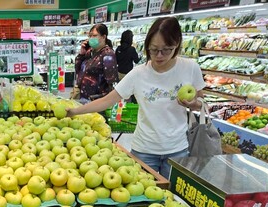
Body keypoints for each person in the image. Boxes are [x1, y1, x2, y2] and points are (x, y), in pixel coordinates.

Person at [68, 17, 205, 179]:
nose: (159, 55)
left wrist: (194, 103)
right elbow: (107, 100)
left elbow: (202, 104)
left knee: (173, 199)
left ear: (177, 44)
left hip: (177, 150)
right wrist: (75, 111)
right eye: (153, 50)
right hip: (144, 150)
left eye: (166, 49)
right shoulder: (139, 73)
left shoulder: (190, 68)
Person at [74, 23, 118, 103]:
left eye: (94, 36)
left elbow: (112, 82)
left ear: (103, 37)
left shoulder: (107, 55)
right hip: (84, 97)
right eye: (90, 36)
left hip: (96, 101)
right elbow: (78, 70)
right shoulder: (90, 52)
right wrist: (81, 54)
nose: (91, 38)